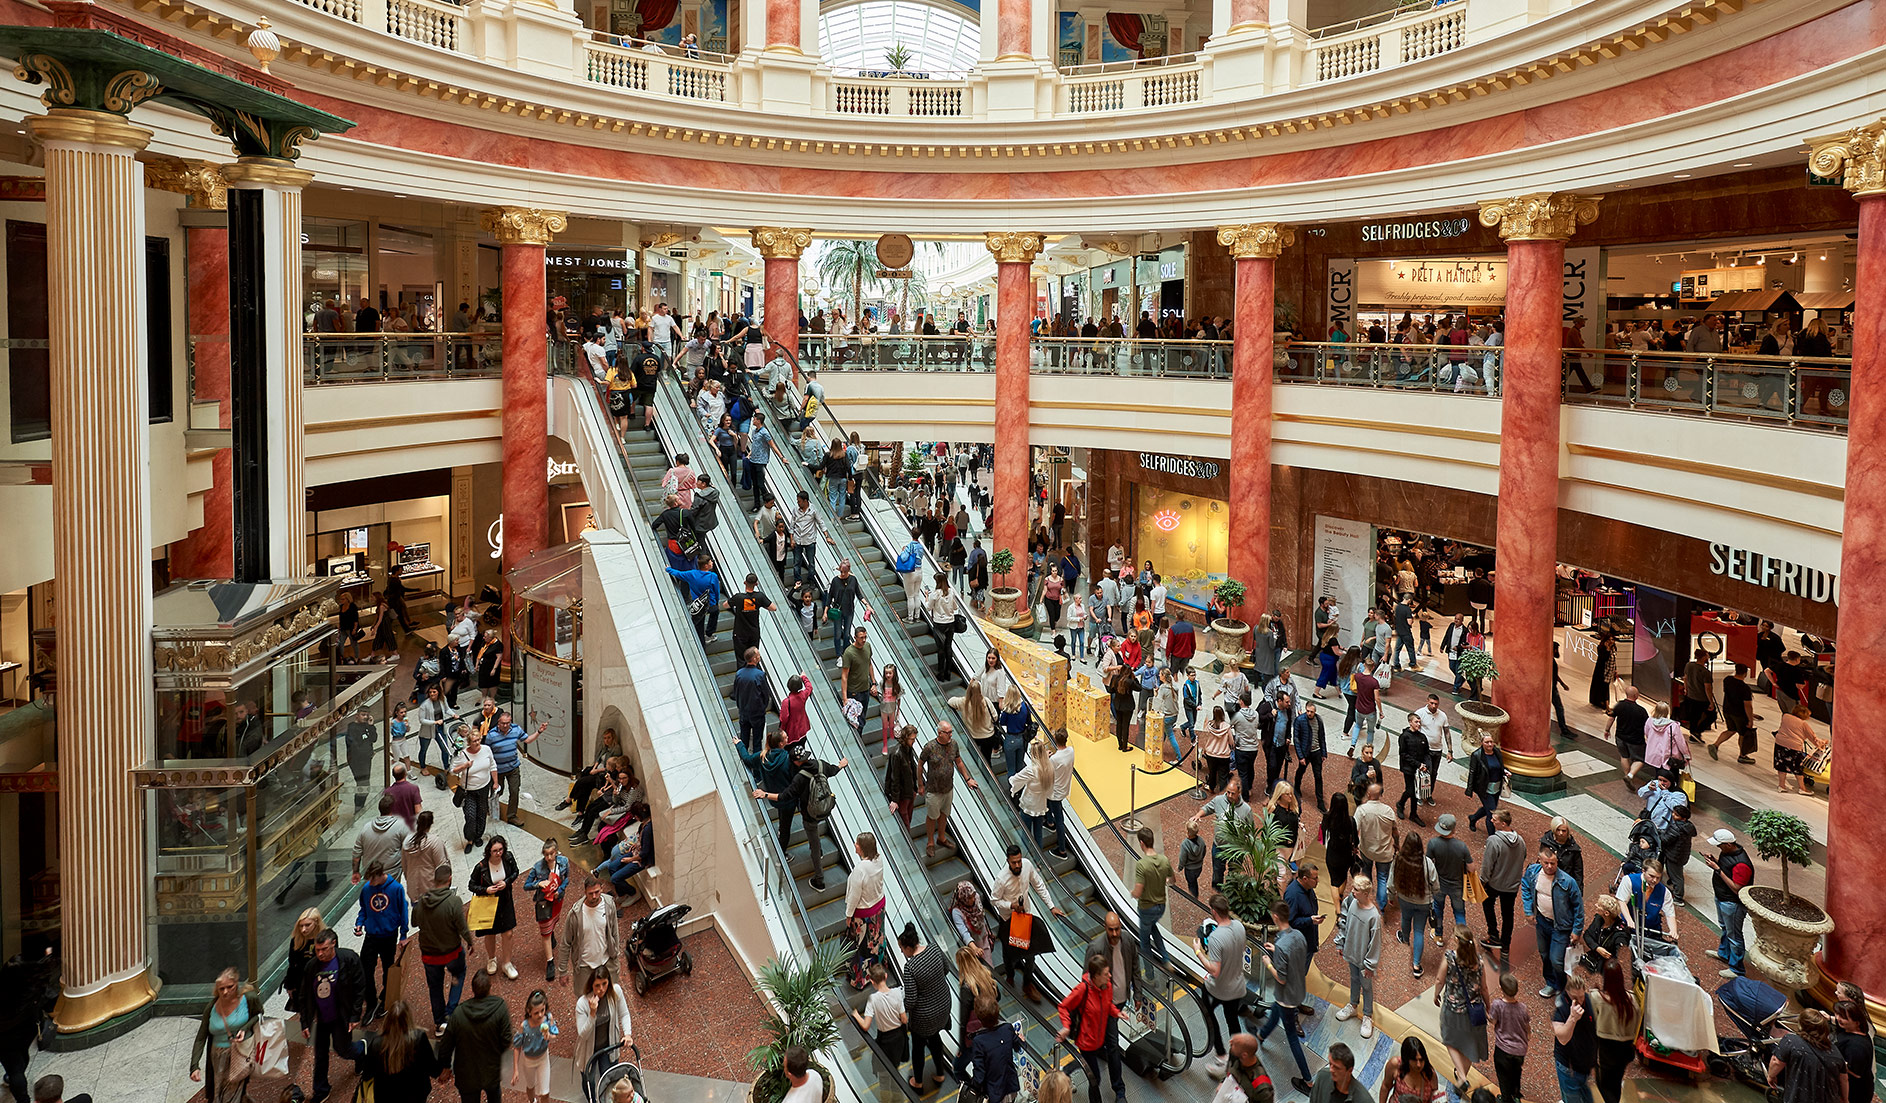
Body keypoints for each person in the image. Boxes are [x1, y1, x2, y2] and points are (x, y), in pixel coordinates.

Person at [755, 743, 849, 893]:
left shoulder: (800, 778)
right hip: (825, 808)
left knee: (814, 842)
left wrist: (764, 794)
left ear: (796, 762)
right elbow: (833, 770)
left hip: (810, 815)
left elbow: (784, 795)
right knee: (815, 838)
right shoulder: (820, 764)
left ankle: (820, 881)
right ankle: (818, 851)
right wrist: (841, 765)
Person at [295, 929, 367, 1103]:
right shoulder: (311, 967)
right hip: (321, 1018)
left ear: (333, 943)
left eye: (324, 949)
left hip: (341, 1016)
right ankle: (321, 1090)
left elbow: (359, 987)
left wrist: (355, 1015)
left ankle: (361, 1051)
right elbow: (304, 995)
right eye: (317, 950)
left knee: (343, 1050)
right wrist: (305, 1022)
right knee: (320, 1055)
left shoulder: (348, 959)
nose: (320, 954)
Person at [1257, 901, 1316, 1095]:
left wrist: (1268, 962)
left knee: (1291, 1035)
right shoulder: (1297, 935)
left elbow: (1280, 979)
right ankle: (1261, 1035)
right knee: (1275, 1011)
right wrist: (1276, 950)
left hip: (1287, 995)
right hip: (1298, 990)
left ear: (1275, 917)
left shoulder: (1282, 945)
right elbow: (1295, 954)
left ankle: (1307, 1080)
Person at [992, 844, 1064, 1000]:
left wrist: (1051, 906)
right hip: (1008, 919)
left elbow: (1038, 885)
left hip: (1025, 917)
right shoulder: (1001, 879)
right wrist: (1011, 905)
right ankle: (1010, 976)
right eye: (1014, 862)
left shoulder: (1027, 865)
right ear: (1007, 861)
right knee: (1008, 952)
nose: (1017, 865)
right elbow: (994, 900)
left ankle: (1027, 984)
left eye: (1019, 861)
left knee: (1031, 953)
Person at [1057, 953, 1128, 1103]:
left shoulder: (1106, 986)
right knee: (1095, 1078)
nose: (1109, 976)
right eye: (1105, 974)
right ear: (1095, 976)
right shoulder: (1082, 990)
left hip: (1099, 1037)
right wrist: (1066, 1027)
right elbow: (1063, 1007)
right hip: (1086, 1041)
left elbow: (1107, 1005)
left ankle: (1067, 1070)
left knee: (1089, 1064)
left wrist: (1117, 1012)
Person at [189, 968, 264, 1103]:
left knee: (232, 1092)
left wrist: (244, 1028)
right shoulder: (211, 1007)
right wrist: (194, 1065)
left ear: (237, 984)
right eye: (221, 989)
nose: (225, 992)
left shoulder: (248, 998)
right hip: (217, 1057)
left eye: (230, 987)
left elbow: (258, 1015)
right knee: (219, 1092)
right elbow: (201, 1037)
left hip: (240, 1052)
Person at [438, 969, 512, 1103]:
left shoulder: (459, 1013)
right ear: (490, 988)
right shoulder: (499, 1007)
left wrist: (446, 1065)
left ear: (472, 989)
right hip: (491, 1069)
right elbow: (506, 1039)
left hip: (466, 1074)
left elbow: (446, 1044)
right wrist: (495, 1053)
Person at [1522, 845, 1584, 998]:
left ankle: (1560, 986)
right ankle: (1550, 983)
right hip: (1542, 922)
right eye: (1546, 863)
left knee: (1556, 959)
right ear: (1539, 861)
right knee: (1544, 954)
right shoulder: (1532, 873)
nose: (1549, 867)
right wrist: (1528, 910)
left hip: (1561, 927)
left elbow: (1578, 907)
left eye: (1553, 863)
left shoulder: (1567, 881)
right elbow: (1525, 886)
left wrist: (1577, 930)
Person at [897, 924, 953, 1093]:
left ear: (908, 947)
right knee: (935, 1038)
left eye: (901, 948)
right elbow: (947, 969)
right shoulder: (934, 948)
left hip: (924, 1017)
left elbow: (912, 1000)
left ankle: (918, 1082)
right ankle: (940, 1074)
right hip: (943, 1006)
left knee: (918, 1047)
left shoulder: (910, 967)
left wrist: (901, 1008)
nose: (901, 952)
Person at [1199, 893, 1249, 1075]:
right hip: (1237, 986)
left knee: (1209, 1014)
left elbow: (1215, 970)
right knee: (1232, 1019)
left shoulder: (1215, 937)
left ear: (1213, 911)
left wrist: (1199, 953)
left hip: (1218, 988)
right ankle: (1237, 1056)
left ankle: (1221, 1055)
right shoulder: (1239, 927)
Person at [1434, 926, 1489, 1087]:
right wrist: (1489, 1007)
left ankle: (1462, 1076)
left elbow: (1439, 980)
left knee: (1450, 1040)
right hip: (1474, 1012)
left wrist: (1436, 994)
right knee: (1468, 1045)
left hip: (1452, 1009)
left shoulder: (1450, 958)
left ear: (1457, 941)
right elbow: (1484, 988)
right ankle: (1461, 1076)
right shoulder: (1478, 962)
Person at [353, 860, 408, 1021]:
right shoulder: (367, 889)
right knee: (365, 970)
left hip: (389, 935)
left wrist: (403, 935)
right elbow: (364, 909)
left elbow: (403, 911)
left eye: (372, 879)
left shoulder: (396, 888)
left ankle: (386, 998)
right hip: (371, 935)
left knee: (388, 968)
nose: (370, 883)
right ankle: (370, 1002)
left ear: (379, 875)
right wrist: (359, 924)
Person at [359, 1001, 444, 1102]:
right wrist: (443, 1072)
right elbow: (431, 1066)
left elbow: (368, 1072)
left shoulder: (376, 1043)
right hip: (415, 1093)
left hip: (386, 1096)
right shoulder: (418, 1038)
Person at [918, 721, 977, 857]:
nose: (951, 735)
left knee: (944, 813)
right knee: (932, 816)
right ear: (940, 733)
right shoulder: (930, 747)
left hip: (948, 788)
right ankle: (930, 842)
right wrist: (920, 784)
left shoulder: (953, 744)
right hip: (934, 789)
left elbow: (959, 761)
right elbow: (920, 764)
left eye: (951, 732)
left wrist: (968, 779)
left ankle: (941, 837)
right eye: (948, 732)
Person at [558, 874, 622, 994]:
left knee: (611, 997)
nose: (594, 896)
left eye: (597, 892)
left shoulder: (609, 905)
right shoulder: (575, 914)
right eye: (590, 893)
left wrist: (616, 954)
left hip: (607, 962)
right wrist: (563, 971)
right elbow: (565, 944)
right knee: (584, 1001)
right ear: (585, 892)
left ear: (602, 889)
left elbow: (614, 932)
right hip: (584, 967)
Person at [1589, 957, 1641, 1103]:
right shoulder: (1632, 1000)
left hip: (1605, 1047)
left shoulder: (1597, 998)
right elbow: (1637, 1025)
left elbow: (1590, 1020)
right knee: (1616, 1081)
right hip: (1625, 1048)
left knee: (1604, 1083)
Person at [1704, 828, 1755, 979]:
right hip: (1722, 898)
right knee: (1725, 928)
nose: (1718, 848)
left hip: (1732, 903)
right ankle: (1724, 954)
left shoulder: (1742, 864)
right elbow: (1727, 869)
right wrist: (1715, 861)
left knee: (1734, 935)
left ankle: (1737, 969)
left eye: (1719, 845)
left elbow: (1736, 888)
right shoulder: (1728, 853)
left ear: (1728, 844)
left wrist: (1717, 869)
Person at [467, 836, 519, 980]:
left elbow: (515, 872)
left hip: (505, 900)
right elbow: (471, 885)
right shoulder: (481, 867)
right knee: (490, 933)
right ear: (489, 851)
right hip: (488, 903)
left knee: (508, 933)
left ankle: (507, 963)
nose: (498, 853)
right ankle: (491, 958)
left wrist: (506, 882)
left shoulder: (508, 858)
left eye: (500, 849)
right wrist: (486, 890)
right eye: (495, 850)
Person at [572, 965, 632, 1088]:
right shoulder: (582, 1004)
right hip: (590, 1050)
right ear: (591, 986)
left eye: (604, 984)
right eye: (597, 986)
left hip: (608, 1046)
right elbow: (583, 1034)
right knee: (589, 1080)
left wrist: (627, 1034)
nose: (601, 989)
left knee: (609, 1077)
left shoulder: (615, 992)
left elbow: (624, 1014)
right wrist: (592, 1014)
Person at [523, 839, 572, 981]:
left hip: (557, 900)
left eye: (551, 854)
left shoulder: (563, 862)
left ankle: (552, 934)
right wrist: (539, 883)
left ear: (556, 852)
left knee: (553, 923)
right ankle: (550, 962)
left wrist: (560, 890)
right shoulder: (538, 867)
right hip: (544, 903)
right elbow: (526, 885)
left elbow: (567, 879)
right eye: (546, 854)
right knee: (545, 932)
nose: (549, 857)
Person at [1392, 832, 1439, 979]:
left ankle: (1405, 938)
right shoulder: (1427, 863)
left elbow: (1391, 880)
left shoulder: (1398, 860)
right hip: (1423, 902)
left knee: (1405, 919)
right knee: (1419, 931)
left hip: (1404, 899)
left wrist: (1390, 895)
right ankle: (1416, 965)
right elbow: (1435, 885)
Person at [1480, 810, 1525, 962]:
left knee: (1487, 903)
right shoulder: (1521, 841)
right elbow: (1522, 858)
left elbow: (1488, 865)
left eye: (1495, 820)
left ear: (1503, 823)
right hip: (1512, 885)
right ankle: (1505, 945)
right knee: (1508, 914)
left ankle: (1493, 935)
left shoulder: (1493, 840)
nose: (1492, 821)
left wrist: (1483, 880)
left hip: (1495, 883)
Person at [845, 833, 888, 989]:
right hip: (879, 907)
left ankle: (860, 978)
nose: (855, 845)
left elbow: (854, 896)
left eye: (857, 843)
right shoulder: (879, 859)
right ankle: (878, 968)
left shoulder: (860, 870)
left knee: (862, 948)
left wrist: (848, 915)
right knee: (876, 940)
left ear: (862, 848)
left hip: (864, 915)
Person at [964, 991, 1021, 1103]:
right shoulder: (1007, 1028)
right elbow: (1017, 1046)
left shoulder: (978, 1041)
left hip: (994, 1093)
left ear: (978, 1016)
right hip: (1011, 1086)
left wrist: (973, 1087)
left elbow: (980, 1074)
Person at [1130, 825, 1174, 965]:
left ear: (1142, 843)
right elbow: (1172, 880)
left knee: (1144, 942)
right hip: (1160, 907)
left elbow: (1138, 891)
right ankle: (1166, 958)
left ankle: (1149, 974)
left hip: (1147, 908)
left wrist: (1132, 894)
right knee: (1153, 926)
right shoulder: (1164, 860)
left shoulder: (1142, 865)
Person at [450, 723, 497, 854]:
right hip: (469, 790)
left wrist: (495, 782)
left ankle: (478, 836)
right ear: (469, 742)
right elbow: (453, 770)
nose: (477, 743)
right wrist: (464, 766)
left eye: (478, 740)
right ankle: (470, 839)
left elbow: (493, 765)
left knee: (482, 813)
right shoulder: (463, 754)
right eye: (474, 741)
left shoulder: (486, 749)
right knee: (470, 815)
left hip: (484, 787)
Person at [1552, 975, 1599, 1103]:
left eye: (1581, 996)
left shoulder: (1589, 1001)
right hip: (1569, 1068)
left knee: (1586, 1096)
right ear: (1567, 994)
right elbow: (1562, 1038)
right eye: (1574, 998)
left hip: (1585, 1065)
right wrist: (1573, 1018)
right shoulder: (1561, 1007)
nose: (1579, 1001)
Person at [1356, 782, 1400, 911]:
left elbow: (1355, 829)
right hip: (1385, 852)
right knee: (1382, 877)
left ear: (1368, 794)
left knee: (1366, 871)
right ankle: (1382, 905)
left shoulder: (1362, 810)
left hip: (1367, 849)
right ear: (1380, 795)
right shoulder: (1388, 811)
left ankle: (1365, 895)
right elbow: (1395, 832)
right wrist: (1397, 844)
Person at [1489, 972, 1530, 1103]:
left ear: (1501, 989)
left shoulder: (1497, 1005)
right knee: (1516, 1073)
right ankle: (1516, 1095)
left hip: (1503, 1049)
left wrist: (1486, 1014)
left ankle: (1506, 1099)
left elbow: (1493, 1021)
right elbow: (1527, 1026)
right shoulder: (1523, 1008)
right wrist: (1528, 1036)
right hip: (1520, 1050)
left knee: (1503, 1076)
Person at [511, 989, 559, 1103]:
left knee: (545, 1092)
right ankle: (532, 1101)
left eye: (542, 1010)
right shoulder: (525, 1026)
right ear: (529, 1011)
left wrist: (549, 1037)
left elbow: (554, 1036)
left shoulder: (548, 1019)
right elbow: (517, 1047)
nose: (540, 1014)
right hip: (528, 1061)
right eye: (536, 1013)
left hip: (543, 1058)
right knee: (530, 1086)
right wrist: (516, 1070)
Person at [1773, 703, 1828, 793]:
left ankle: (1781, 786)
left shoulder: (1785, 716)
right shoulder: (1803, 724)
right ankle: (1802, 788)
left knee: (1781, 766)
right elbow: (1813, 738)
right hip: (1794, 747)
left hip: (1780, 743)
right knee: (1797, 768)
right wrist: (1823, 742)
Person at [1603, 686, 1651, 786]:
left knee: (1624, 756)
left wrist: (1607, 730)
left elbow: (1611, 718)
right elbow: (1647, 726)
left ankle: (1627, 775)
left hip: (1620, 737)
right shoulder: (1641, 711)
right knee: (1640, 759)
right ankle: (1630, 775)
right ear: (1636, 696)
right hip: (1635, 740)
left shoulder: (1619, 705)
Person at [1831, 1000, 1874, 1103]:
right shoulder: (1848, 1028)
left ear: (1857, 1022)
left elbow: (1856, 1073)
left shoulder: (1856, 1046)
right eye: (1837, 1014)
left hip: (1855, 1092)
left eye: (1843, 1017)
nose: (1838, 1018)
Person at [1463, 733, 1507, 833]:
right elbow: (1472, 773)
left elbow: (1500, 766)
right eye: (1487, 742)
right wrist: (1469, 790)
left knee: (1489, 808)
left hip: (1496, 787)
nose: (1490, 744)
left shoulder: (1497, 752)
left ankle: (1473, 818)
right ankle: (1492, 838)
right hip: (1483, 787)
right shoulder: (1477, 755)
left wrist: (1505, 771)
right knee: (1492, 814)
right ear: (1481, 743)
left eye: (1491, 742)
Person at [1379, 1036, 1443, 1103]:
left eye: (1421, 1060)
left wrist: (1438, 1097)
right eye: (1414, 1060)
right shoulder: (1396, 1065)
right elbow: (1386, 1086)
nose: (1418, 1065)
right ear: (1407, 1058)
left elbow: (1434, 1096)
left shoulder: (1430, 1074)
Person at [1396, 714, 1430, 825]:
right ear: (1410, 722)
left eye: (1419, 722)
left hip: (1419, 769)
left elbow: (1426, 753)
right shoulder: (1404, 736)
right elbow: (1403, 754)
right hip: (1408, 768)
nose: (1418, 724)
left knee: (1417, 791)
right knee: (1411, 790)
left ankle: (1413, 814)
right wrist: (1417, 764)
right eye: (1416, 722)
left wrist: (1425, 765)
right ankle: (1400, 804)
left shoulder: (1422, 737)